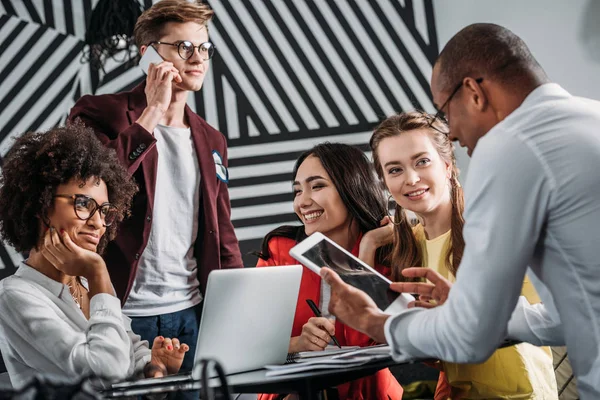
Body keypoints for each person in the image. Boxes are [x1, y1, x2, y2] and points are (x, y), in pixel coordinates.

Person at [320, 23, 600, 399]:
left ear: (473, 92)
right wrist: (460, 309)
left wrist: (376, 322)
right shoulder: (591, 116)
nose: (450, 132)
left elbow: (474, 335)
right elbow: (563, 314)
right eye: (394, 169)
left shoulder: (509, 148)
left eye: (446, 111)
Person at [67, 0, 243, 383]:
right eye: (183, 47)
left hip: (193, 314)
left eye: (204, 48)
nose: (198, 58)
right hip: (123, 311)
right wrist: (151, 114)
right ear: (149, 55)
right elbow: (85, 187)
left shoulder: (212, 139)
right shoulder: (97, 113)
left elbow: (222, 230)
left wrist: (239, 307)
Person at [370, 111, 557, 398]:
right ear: (384, 181)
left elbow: (536, 320)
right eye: (394, 170)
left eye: (422, 161)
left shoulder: (495, 228)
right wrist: (369, 244)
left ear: (447, 166)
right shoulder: (408, 248)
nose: (411, 178)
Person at [0, 124, 189, 388]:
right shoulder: (15, 296)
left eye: (104, 211)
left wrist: (152, 368)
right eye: (83, 204)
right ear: (41, 206)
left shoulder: (86, 282)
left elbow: (129, 352)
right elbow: (106, 371)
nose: (99, 223)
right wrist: (99, 272)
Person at [256, 143, 403, 400]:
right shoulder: (280, 249)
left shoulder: (387, 252)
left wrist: (367, 250)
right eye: (297, 190)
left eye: (317, 186)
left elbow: (369, 343)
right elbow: (248, 342)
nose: (302, 201)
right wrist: (297, 344)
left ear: (352, 187)